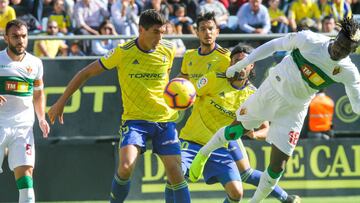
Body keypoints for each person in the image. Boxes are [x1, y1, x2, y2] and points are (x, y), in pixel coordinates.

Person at [190, 16, 360, 203]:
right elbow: (271, 46)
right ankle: (203, 154)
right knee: (235, 131)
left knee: (277, 167)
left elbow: (356, 105)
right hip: (272, 91)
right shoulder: (309, 40)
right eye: (340, 44)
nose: (339, 50)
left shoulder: (348, 72)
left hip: (295, 109)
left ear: (353, 51)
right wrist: (240, 65)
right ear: (336, 37)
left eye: (346, 50)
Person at [47, 9, 191, 203]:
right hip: (135, 121)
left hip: (164, 121)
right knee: (125, 167)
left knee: (176, 173)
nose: (160, 36)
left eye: (163, 31)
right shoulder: (123, 52)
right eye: (156, 31)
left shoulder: (169, 49)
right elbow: (85, 73)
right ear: (141, 29)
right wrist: (61, 101)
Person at [180, 12, 299, 203]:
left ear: (251, 66)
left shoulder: (253, 93)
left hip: (228, 136)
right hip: (198, 135)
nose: (240, 65)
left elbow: (265, 129)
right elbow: (188, 89)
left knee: (242, 182)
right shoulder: (212, 76)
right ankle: (286, 198)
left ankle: (286, 198)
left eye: (245, 62)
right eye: (236, 61)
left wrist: (252, 133)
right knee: (178, 176)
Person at [0, 19, 50, 203]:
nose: (20, 40)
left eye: (23, 36)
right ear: (6, 38)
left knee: (26, 179)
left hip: (23, 126)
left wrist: (42, 118)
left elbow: (38, 94)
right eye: (15, 37)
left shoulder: (35, 63)